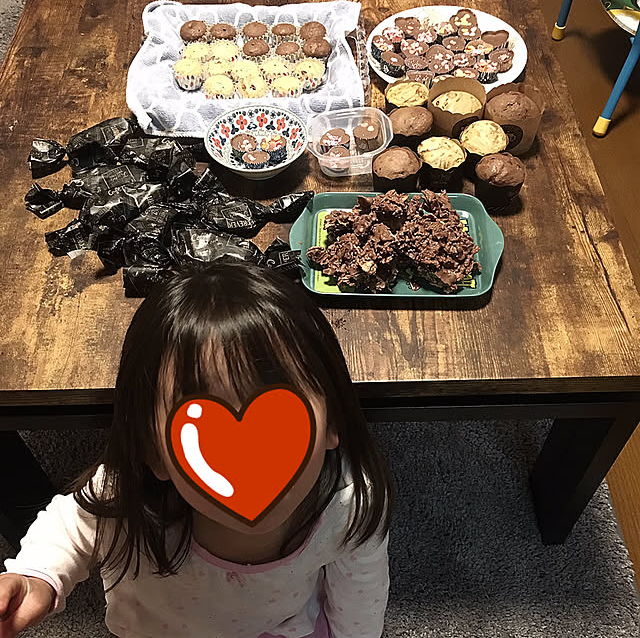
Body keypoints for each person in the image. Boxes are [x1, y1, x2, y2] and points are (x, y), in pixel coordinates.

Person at [0, 260, 395, 638]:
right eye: (201, 425)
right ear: (153, 451)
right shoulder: (130, 494)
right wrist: (36, 575)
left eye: (278, 420)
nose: (249, 461)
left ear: (332, 422)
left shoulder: (348, 502)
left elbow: (360, 598)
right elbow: (72, 526)